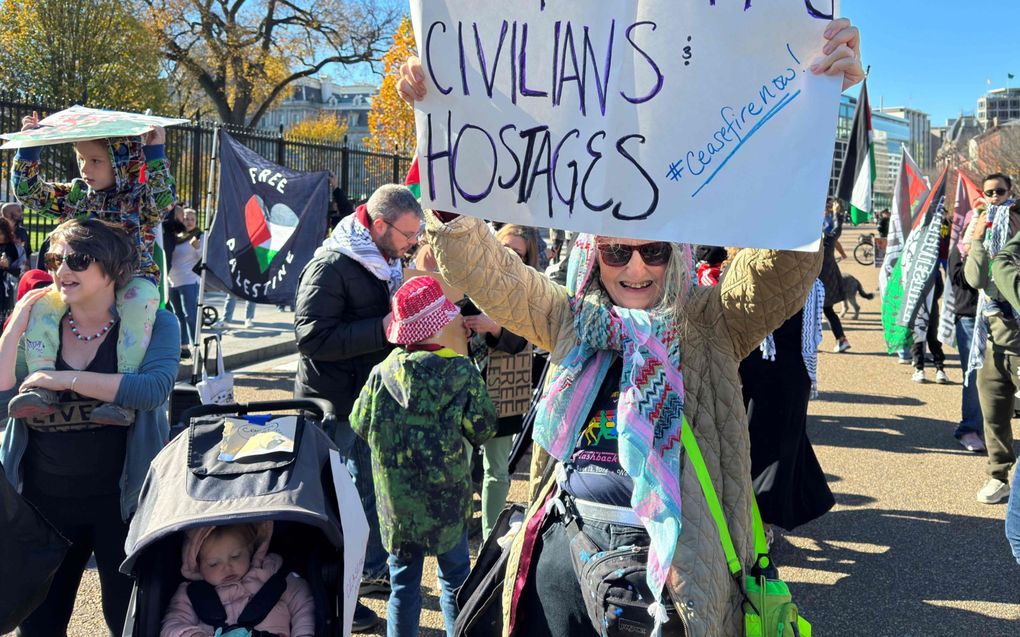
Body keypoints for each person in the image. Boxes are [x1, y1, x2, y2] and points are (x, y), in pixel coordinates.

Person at [395, 19, 862, 633]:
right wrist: (447, 140)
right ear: (595, 257)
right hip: (565, 559)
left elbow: (782, 269)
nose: (636, 266)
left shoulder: (711, 323)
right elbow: (490, 275)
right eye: (617, 252)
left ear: (679, 256)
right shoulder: (571, 319)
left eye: (655, 251)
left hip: (677, 577)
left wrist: (813, 119)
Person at [0, 218, 180, 636]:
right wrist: (17, 321)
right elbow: (4, 403)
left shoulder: (156, 324)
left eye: (78, 260)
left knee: (130, 623)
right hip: (43, 504)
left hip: (123, 503)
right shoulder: (39, 329)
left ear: (114, 269)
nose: (63, 270)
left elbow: (151, 389)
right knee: (39, 627)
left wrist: (63, 380)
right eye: (55, 259)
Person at [293, 183, 424, 631]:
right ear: (380, 225)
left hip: (368, 394)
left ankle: (369, 570)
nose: (413, 244)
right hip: (337, 401)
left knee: (369, 486)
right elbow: (311, 338)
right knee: (346, 496)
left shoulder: (382, 260)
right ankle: (349, 582)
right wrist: (384, 326)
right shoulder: (331, 265)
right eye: (408, 235)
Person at [351, 275, 497, 637]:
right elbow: (483, 428)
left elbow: (358, 423)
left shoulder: (380, 374)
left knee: (403, 586)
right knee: (455, 583)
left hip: (397, 505)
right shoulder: (460, 371)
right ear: (438, 323)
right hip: (446, 502)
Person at [9, 113, 177, 426]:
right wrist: (29, 144)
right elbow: (30, 192)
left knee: (139, 305)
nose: (86, 169)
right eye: (81, 159)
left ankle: (123, 394)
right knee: (43, 304)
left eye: (96, 160)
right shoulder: (74, 198)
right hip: (79, 280)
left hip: (132, 279)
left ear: (122, 161)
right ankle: (41, 384)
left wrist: (155, 152)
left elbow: (165, 198)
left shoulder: (139, 199)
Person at [741, 279, 834, 542]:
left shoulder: (801, 276)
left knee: (777, 450)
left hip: (774, 369)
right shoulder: (805, 277)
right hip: (768, 370)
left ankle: (762, 525)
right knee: (770, 448)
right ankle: (761, 521)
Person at [466, 224, 540, 540]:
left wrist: (494, 328)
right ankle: (458, 531)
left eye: (517, 252)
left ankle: (489, 540)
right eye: (504, 247)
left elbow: (531, 338)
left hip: (505, 386)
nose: (508, 256)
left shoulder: (531, 289)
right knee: (459, 466)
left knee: (496, 470)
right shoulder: (470, 277)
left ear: (527, 257)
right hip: (464, 383)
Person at [161, 522, 315, 637]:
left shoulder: (271, 573)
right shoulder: (191, 594)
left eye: (235, 556)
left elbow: (303, 603)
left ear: (250, 550)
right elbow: (172, 625)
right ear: (198, 566)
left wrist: (303, 634)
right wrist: (192, 635)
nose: (227, 567)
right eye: (214, 564)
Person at [965, 173, 1019, 504]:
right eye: (989, 193)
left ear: (1011, 192)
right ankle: (998, 476)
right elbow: (974, 278)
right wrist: (978, 239)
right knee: (994, 411)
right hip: (993, 338)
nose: (994, 197)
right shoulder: (983, 226)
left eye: (1000, 191)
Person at [948, 234, 986, 452]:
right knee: (973, 376)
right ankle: (969, 429)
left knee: (998, 378)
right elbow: (964, 280)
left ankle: (992, 430)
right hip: (970, 318)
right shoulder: (960, 248)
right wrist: (975, 248)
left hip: (1001, 317)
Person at [168, 207, 203, 360]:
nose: (189, 222)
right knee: (178, 315)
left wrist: (198, 248)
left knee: (190, 315)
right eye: (186, 219)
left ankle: (196, 347)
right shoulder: (177, 235)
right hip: (173, 281)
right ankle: (184, 347)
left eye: (192, 219)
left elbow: (205, 257)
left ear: (196, 222)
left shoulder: (199, 236)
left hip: (189, 280)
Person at [821, 198, 851, 352]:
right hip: (830, 278)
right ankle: (841, 339)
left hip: (816, 281)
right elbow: (837, 230)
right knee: (828, 310)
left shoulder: (814, 243)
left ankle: (808, 344)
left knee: (810, 313)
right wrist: (837, 214)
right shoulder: (827, 240)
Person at [1, 201, 32, 275]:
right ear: (8, 214)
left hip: (20, 275)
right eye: (19, 211)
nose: (22, 213)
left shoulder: (22, 231)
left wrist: (28, 268)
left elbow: (27, 252)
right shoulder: (1, 231)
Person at [0, 218, 22, 317]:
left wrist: (6, 265)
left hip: (5, 287)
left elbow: (16, 266)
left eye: (0, 233)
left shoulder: (11, 247)